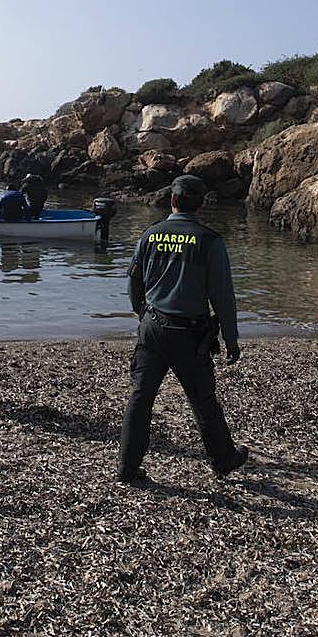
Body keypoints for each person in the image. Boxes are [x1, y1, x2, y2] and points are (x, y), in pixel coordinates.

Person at [118, 174, 248, 486]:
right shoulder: (209, 241)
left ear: (172, 200)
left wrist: (142, 313)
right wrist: (231, 338)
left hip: (153, 329)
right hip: (189, 335)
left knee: (140, 398)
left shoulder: (150, 235)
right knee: (203, 400)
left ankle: (127, 468)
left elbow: (133, 281)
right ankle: (223, 460)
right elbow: (223, 296)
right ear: (201, 204)